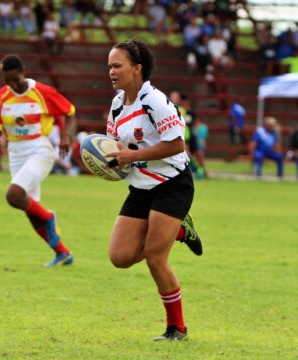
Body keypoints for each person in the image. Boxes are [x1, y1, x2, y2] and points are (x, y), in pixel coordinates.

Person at [105, 39, 202, 341]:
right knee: (120, 257)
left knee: (155, 258)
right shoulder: (118, 104)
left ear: (137, 69)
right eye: (109, 66)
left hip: (172, 184)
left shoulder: (155, 100)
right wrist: (105, 162)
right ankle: (177, 229)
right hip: (141, 187)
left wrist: (130, 156)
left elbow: (176, 144)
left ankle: (177, 328)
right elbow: (115, 148)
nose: (111, 71)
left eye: (117, 66)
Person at [0, 54, 75, 267]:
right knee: (30, 211)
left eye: (15, 79)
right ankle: (62, 253)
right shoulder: (1, 97)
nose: (12, 85)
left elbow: (69, 112)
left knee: (14, 195)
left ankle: (50, 218)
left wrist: (64, 137)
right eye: (7, 81)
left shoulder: (42, 92)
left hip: (38, 148)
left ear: (23, 71)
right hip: (15, 151)